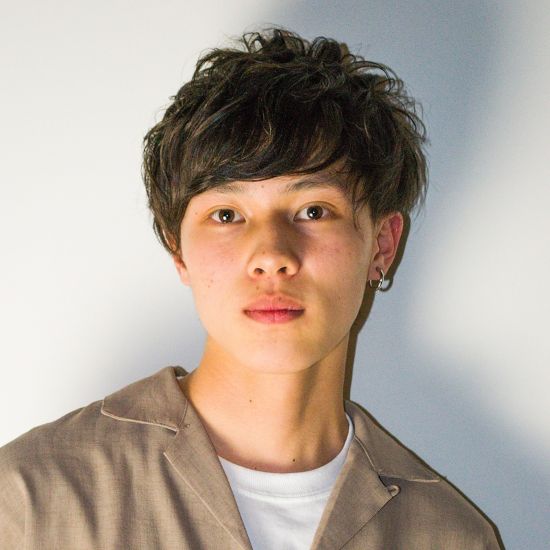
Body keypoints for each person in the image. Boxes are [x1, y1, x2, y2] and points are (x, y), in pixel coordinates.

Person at [0, 28, 502, 549]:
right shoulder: (31, 501)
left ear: (382, 244)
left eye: (313, 211)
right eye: (227, 215)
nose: (271, 256)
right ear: (177, 248)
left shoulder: (452, 537)